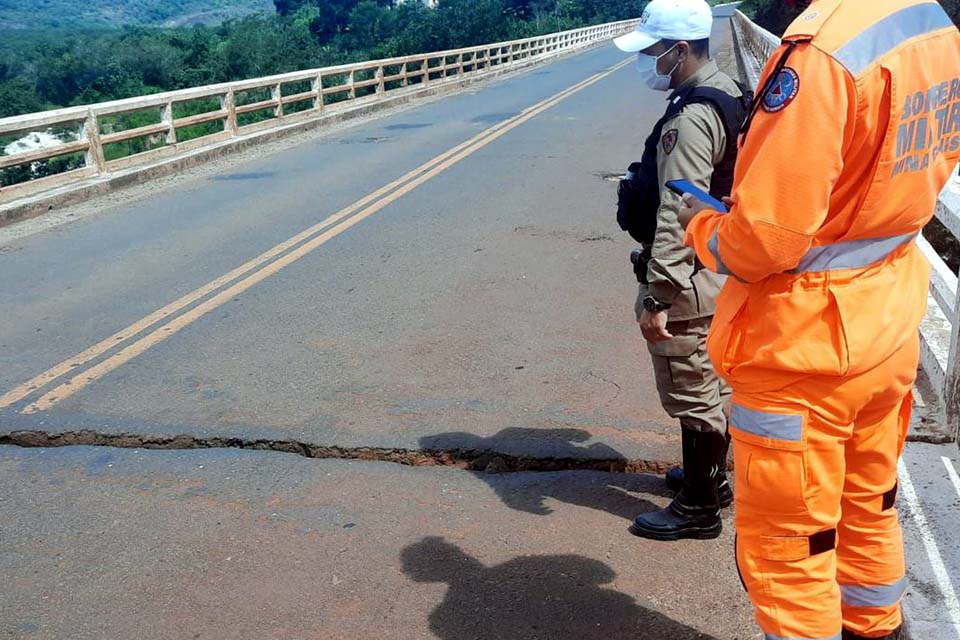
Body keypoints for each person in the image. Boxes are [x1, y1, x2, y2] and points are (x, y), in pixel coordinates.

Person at [678, 1, 960, 638]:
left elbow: (764, 241)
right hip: (887, 324)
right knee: (868, 508)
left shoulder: (823, 54)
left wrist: (704, 227)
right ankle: (879, 628)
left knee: (790, 550)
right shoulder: (933, 25)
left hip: (805, 350)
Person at [612, 0, 751, 541]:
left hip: (691, 277)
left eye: (652, 50)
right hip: (720, 268)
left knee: (691, 387)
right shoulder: (728, 92)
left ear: (680, 49)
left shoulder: (692, 118)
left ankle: (698, 507)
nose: (647, 60)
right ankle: (710, 480)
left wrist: (658, 294)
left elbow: (677, 210)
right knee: (712, 381)